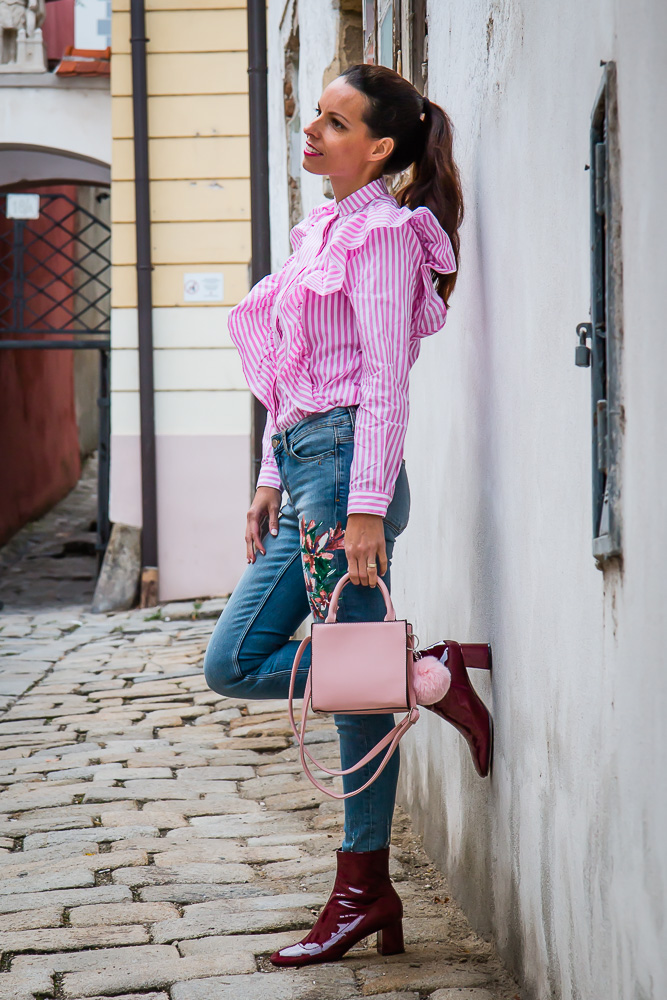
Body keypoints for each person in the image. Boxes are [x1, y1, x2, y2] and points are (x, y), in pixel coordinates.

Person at [203, 62, 493, 968]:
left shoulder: (380, 239)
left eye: (334, 123)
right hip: (305, 473)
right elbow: (290, 372)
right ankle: (426, 675)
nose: (313, 131)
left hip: (343, 482)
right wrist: (264, 478)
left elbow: (381, 383)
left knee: (347, 695)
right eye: (314, 115)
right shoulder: (318, 229)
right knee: (239, 661)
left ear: (379, 148)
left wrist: (363, 508)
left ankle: (362, 890)